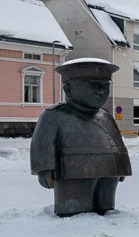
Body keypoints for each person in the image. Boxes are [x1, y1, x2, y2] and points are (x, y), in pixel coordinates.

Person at [30, 59, 132, 217]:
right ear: (68, 88)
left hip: (108, 173)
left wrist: (121, 166)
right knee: (76, 211)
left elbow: (116, 142)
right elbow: (42, 143)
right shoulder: (55, 115)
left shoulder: (105, 116)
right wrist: (44, 168)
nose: (100, 92)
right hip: (72, 173)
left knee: (106, 209)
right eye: (93, 85)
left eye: (105, 86)